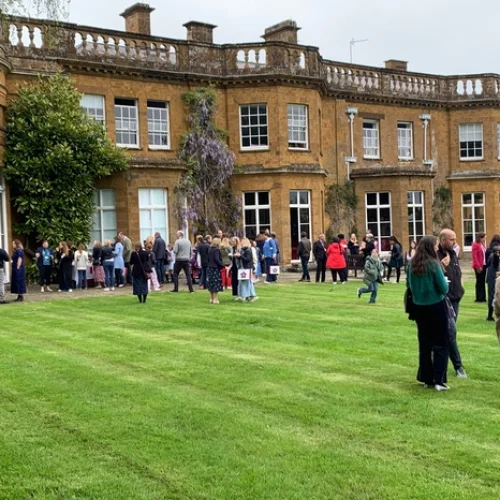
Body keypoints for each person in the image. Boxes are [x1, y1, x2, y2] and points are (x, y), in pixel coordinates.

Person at [407, 235, 451, 392]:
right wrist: (444, 284)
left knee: (424, 343)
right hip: (435, 305)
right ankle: (439, 379)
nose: (437, 248)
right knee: (440, 343)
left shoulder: (411, 265)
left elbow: (409, 286)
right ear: (430, 247)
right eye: (436, 246)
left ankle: (426, 378)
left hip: (419, 307)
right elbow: (443, 288)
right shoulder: (434, 264)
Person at [437, 229, 466, 378]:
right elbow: (434, 277)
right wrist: (442, 265)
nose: (455, 242)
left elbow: (457, 273)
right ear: (442, 240)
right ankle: (458, 366)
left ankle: (438, 365)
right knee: (450, 333)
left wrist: (460, 289)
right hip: (444, 300)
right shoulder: (436, 256)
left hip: (455, 298)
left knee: (446, 334)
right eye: (452, 239)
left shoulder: (453, 254)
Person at [235, 237, 258, 302]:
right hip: (244, 268)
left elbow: (247, 259)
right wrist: (238, 256)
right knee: (246, 282)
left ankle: (248, 295)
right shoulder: (244, 250)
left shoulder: (248, 250)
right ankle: (248, 295)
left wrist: (240, 256)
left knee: (246, 282)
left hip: (247, 268)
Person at [486, 235, 500, 322]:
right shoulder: (494, 257)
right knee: (493, 296)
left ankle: (490, 314)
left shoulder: (490, 256)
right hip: (493, 279)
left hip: (491, 279)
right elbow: (495, 264)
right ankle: (490, 315)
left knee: (492, 296)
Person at [206, 237, 224, 304]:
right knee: (216, 283)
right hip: (215, 268)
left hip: (210, 267)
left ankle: (211, 298)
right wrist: (222, 265)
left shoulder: (210, 249)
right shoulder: (216, 250)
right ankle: (215, 299)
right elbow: (217, 259)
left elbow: (208, 258)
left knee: (211, 283)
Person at [471, 232, 487, 303]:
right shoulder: (475, 245)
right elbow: (475, 256)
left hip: (484, 265)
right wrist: (478, 266)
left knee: (482, 281)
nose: (484, 239)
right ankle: (478, 297)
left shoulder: (482, 245)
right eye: (484, 238)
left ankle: (483, 297)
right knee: (479, 281)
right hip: (478, 265)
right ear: (480, 238)